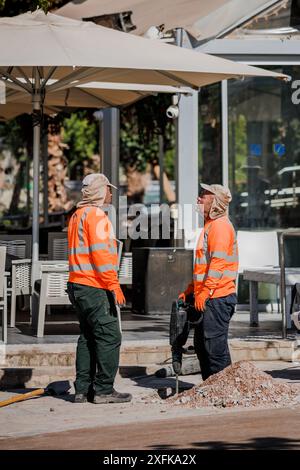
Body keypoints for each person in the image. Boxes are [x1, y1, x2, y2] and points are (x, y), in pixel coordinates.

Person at [67, 173, 132, 404]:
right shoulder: (96, 216)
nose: (111, 193)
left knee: (87, 336)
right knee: (110, 336)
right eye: (108, 189)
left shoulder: (77, 215)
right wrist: (114, 285)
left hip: (77, 284)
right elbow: (102, 255)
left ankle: (82, 390)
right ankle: (104, 389)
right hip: (94, 286)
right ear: (99, 191)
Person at [178, 183, 238, 380]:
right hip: (209, 295)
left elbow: (217, 264)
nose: (199, 198)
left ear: (215, 202)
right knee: (203, 346)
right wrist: (191, 289)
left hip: (218, 297)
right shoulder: (210, 225)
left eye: (204, 195)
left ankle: (224, 390)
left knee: (214, 348)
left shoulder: (220, 226)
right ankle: (210, 388)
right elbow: (204, 266)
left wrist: (205, 291)